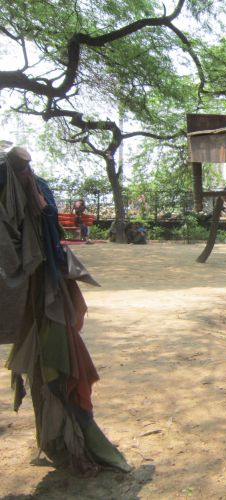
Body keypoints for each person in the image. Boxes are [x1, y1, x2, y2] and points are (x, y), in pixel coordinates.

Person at [0, 146, 131, 475]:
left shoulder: (34, 192)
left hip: (49, 297)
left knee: (58, 373)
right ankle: (57, 440)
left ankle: (71, 442)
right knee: (50, 373)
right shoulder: (20, 191)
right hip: (40, 299)